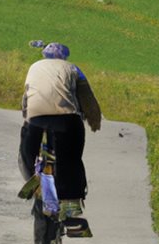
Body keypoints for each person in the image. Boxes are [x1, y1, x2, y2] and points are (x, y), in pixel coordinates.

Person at [19, 42, 102, 216]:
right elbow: (87, 98)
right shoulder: (73, 69)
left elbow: (26, 96)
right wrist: (94, 121)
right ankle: (71, 206)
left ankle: (31, 182)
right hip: (67, 121)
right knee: (72, 160)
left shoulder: (34, 67)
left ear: (44, 55)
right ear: (64, 56)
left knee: (26, 153)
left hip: (36, 120)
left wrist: (27, 119)